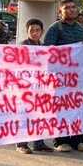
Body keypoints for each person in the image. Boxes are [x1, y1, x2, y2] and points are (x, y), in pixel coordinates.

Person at [42, 0, 83, 153]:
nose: (71, 10)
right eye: (67, 8)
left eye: (73, 7)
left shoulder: (81, 29)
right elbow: (48, 52)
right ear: (60, 11)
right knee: (62, 108)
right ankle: (60, 141)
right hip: (61, 78)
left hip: (80, 77)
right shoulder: (55, 29)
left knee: (79, 107)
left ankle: (78, 140)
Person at [16, 18, 54, 154]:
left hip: (41, 88)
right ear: (27, 31)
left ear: (42, 32)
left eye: (37, 30)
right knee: (25, 115)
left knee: (40, 115)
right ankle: (21, 144)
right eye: (32, 30)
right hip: (25, 88)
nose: (35, 33)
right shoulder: (22, 46)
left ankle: (39, 143)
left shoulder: (44, 48)